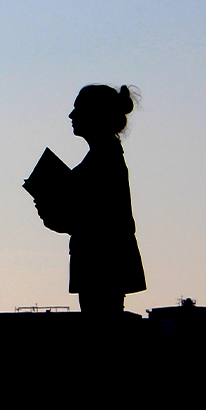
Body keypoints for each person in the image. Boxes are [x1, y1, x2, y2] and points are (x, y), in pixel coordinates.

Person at [34, 84, 146, 314]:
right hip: (99, 262)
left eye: (78, 109)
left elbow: (87, 220)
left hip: (100, 263)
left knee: (100, 325)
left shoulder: (103, 161)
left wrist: (47, 203)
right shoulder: (104, 157)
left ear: (96, 115)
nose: (71, 115)